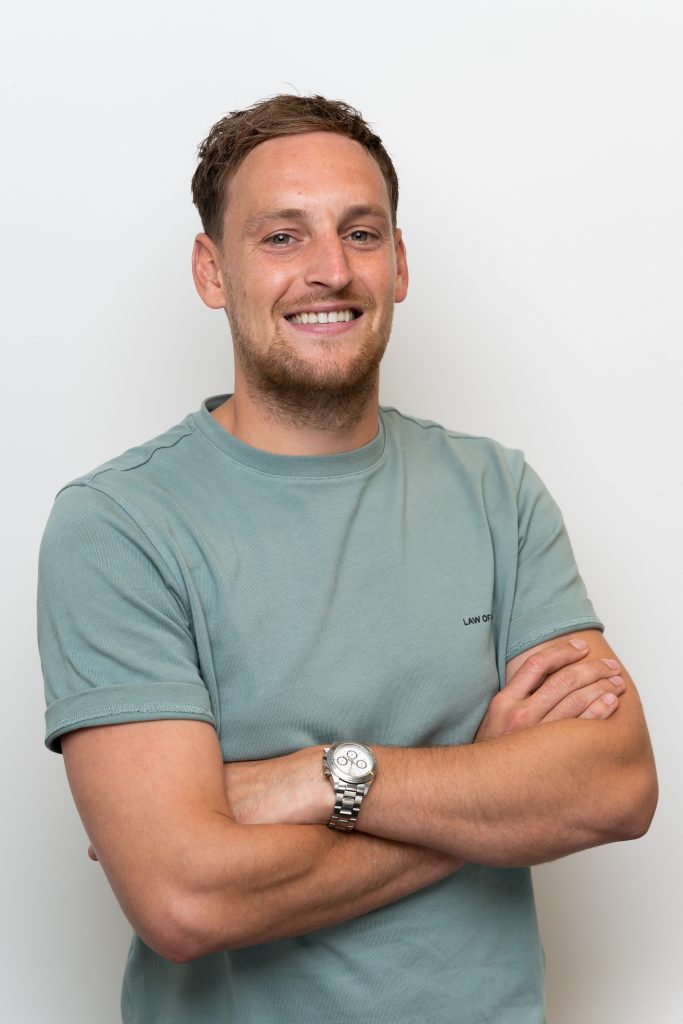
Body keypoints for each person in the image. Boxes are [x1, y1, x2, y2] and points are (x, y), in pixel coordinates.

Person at [38, 94, 657, 1024]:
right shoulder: (121, 525)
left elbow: (613, 788)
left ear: (398, 263)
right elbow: (184, 899)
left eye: (360, 233)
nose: (330, 269)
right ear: (212, 271)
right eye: (281, 237)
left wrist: (320, 776)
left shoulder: (496, 490)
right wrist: (484, 791)